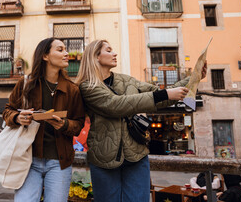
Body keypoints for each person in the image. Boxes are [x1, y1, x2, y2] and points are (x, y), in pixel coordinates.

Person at [75, 39, 207, 202]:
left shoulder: (127, 81)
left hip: (136, 155)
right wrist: (164, 94)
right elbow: (115, 105)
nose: (114, 53)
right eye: (108, 50)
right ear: (95, 57)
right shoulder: (88, 86)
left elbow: (161, 95)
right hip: (103, 158)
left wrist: (194, 78)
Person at [3, 37, 85, 202]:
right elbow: (7, 111)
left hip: (59, 163)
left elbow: (78, 124)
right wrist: (18, 117)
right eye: (60, 50)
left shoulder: (73, 89)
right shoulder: (26, 84)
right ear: (45, 56)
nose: (67, 53)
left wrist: (64, 124)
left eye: (66, 49)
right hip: (28, 160)